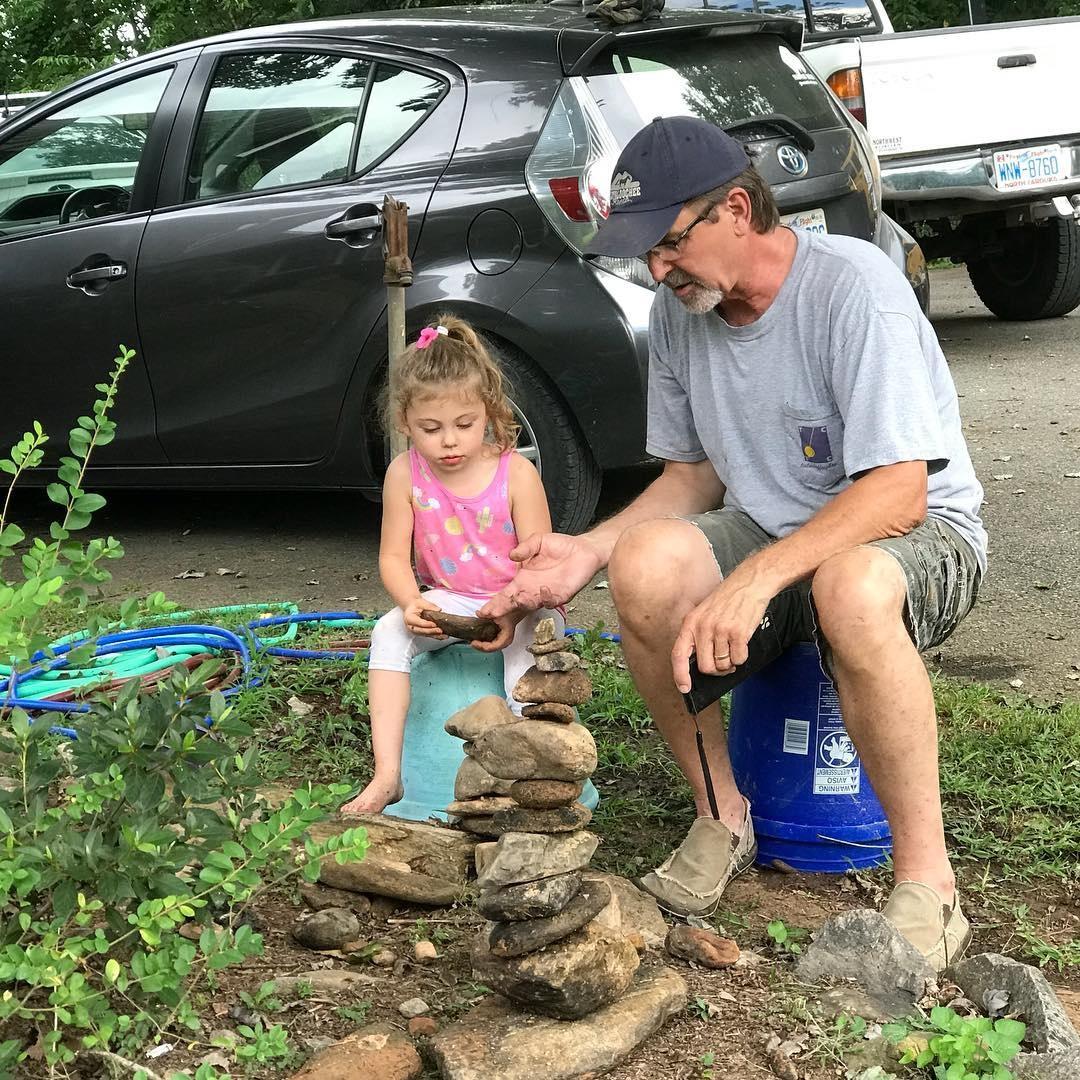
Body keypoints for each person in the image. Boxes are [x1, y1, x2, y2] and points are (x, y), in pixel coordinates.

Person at [481, 116, 986, 971]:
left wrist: (756, 577)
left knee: (851, 586)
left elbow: (898, 491)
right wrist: (590, 550)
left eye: (671, 243)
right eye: (645, 251)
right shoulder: (683, 311)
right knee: (646, 562)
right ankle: (722, 816)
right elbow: (692, 477)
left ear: (740, 209)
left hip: (918, 535)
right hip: (776, 534)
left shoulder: (853, 289)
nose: (658, 269)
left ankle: (929, 884)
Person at [341, 317, 559, 815]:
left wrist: (515, 608)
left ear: (489, 411)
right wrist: (411, 602)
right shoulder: (404, 473)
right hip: (451, 598)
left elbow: (543, 568)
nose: (449, 442)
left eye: (465, 424)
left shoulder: (517, 473)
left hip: (521, 600)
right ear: (404, 422)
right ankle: (388, 775)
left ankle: (528, 774)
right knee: (388, 633)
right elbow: (393, 557)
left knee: (525, 663)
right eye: (430, 429)